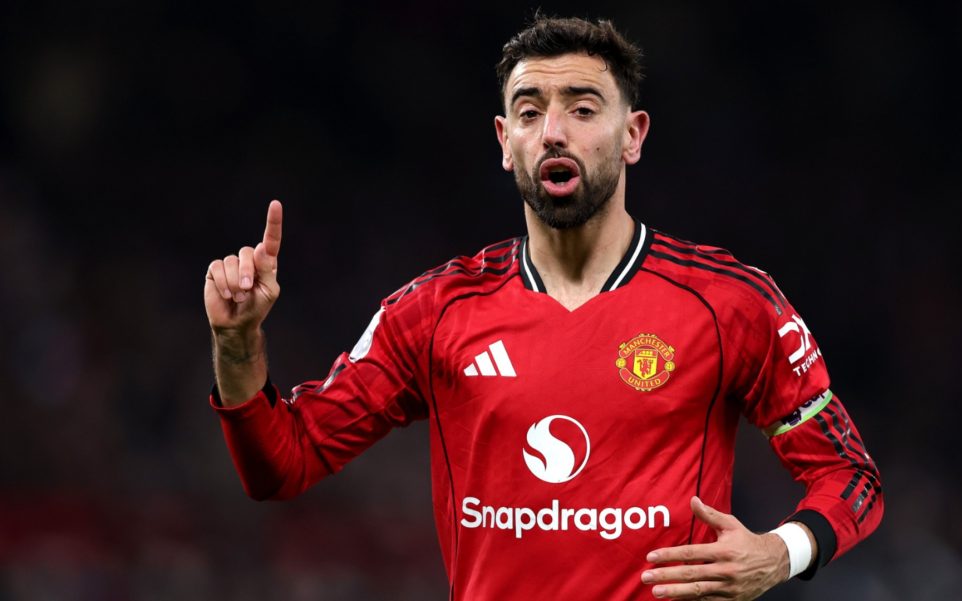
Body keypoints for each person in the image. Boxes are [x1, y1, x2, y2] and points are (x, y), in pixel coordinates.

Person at [203, 15, 882, 601]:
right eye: (530, 113)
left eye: (583, 109)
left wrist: (783, 552)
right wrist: (237, 345)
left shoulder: (730, 304)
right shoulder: (435, 312)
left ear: (633, 134)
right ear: (506, 141)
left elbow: (849, 476)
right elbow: (282, 463)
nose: (553, 131)